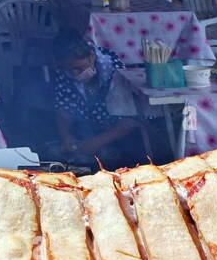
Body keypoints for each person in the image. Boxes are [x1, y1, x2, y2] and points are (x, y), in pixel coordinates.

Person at [50, 31, 149, 165]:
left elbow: (132, 117)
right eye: (70, 70)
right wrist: (66, 136)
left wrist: (98, 141)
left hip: (121, 133)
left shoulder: (114, 68)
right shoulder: (62, 71)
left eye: (79, 68)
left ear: (92, 57)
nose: (74, 74)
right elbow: (63, 108)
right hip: (87, 129)